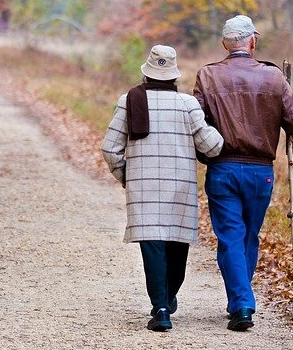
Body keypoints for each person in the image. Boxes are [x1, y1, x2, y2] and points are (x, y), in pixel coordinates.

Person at [192, 15, 293, 331]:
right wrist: (283, 93)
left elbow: (194, 121)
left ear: (224, 44)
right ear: (253, 42)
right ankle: (241, 302)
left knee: (231, 236)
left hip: (223, 167)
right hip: (260, 173)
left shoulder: (207, 76)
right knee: (247, 236)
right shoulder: (273, 77)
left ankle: (240, 302)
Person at [101, 45, 224, 332]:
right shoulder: (188, 105)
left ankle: (161, 308)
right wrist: (215, 127)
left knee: (152, 246)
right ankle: (167, 299)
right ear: (174, 77)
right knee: (176, 245)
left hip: (143, 190)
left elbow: (110, 149)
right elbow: (213, 146)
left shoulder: (129, 101)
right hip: (180, 187)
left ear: (146, 73)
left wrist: (127, 176)